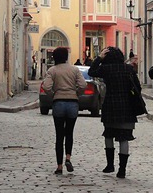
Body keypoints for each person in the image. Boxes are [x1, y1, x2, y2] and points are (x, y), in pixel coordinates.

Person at [89, 47, 141, 178]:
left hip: (110, 105)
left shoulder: (106, 69)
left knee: (108, 134)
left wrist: (99, 58)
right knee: (124, 138)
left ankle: (110, 165)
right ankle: (122, 169)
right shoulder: (129, 69)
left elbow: (91, 71)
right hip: (127, 107)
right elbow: (138, 87)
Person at [42, 46, 87, 175]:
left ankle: (59, 166)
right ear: (66, 57)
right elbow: (83, 85)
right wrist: (76, 93)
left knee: (59, 135)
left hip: (59, 103)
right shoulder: (74, 69)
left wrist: (53, 95)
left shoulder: (52, 70)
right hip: (72, 103)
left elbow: (46, 86)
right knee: (69, 133)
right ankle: (68, 158)